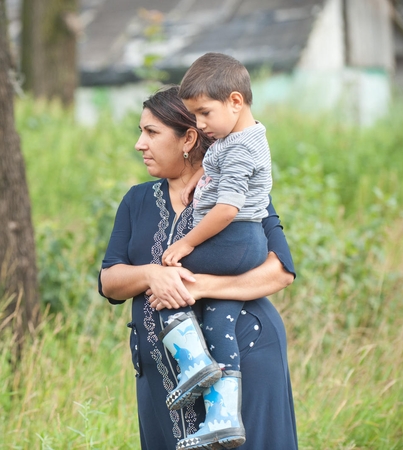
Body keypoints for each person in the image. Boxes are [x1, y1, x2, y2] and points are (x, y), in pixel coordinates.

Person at [98, 85, 298, 450]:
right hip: (161, 372)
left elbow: (280, 270)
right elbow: (109, 280)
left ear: (188, 137)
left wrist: (202, 286)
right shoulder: (136, 201)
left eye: (151, 132)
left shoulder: (239, 190)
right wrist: (151, 274)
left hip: (246, 360)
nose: (139, 144)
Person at [151, 53, 273, 448]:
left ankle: (195, 366)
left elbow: (226, 209)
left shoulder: (238, 147)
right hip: (243, 242)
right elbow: (220, 169)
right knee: (219, 322)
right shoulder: (240, 139)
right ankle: (222, 417)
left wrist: (185, 243)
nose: (200, 126)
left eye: (204, 114)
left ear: (235, 101)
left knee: (168, 281)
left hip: (233, 238)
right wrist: (199, 179)